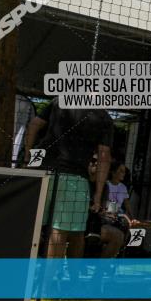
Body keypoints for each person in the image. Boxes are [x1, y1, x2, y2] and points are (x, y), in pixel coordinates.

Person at [23, 98, 114, 258]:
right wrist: (98, 195)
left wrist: (27, 157)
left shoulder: (60, 100)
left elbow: (34, 125)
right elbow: (104, 156)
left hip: (40, 173)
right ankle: (48, 283)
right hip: (74, 178)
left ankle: (22, 275)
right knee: (60, 234)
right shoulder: (104, 117)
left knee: (31, 226)